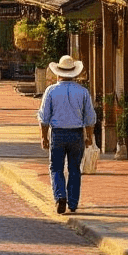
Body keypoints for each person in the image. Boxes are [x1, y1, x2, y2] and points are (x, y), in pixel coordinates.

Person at [37, 55, 97, 214]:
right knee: (75, 169)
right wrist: (89, 136)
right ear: (74, 73)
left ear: (58, 73)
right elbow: (90, 118)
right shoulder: (83, 92)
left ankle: (60, 196)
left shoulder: (51, 91)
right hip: (77, 134)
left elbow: (44, 117)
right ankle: (73, 202)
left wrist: (44, 137)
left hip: (58, 133)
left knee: (56, 168)